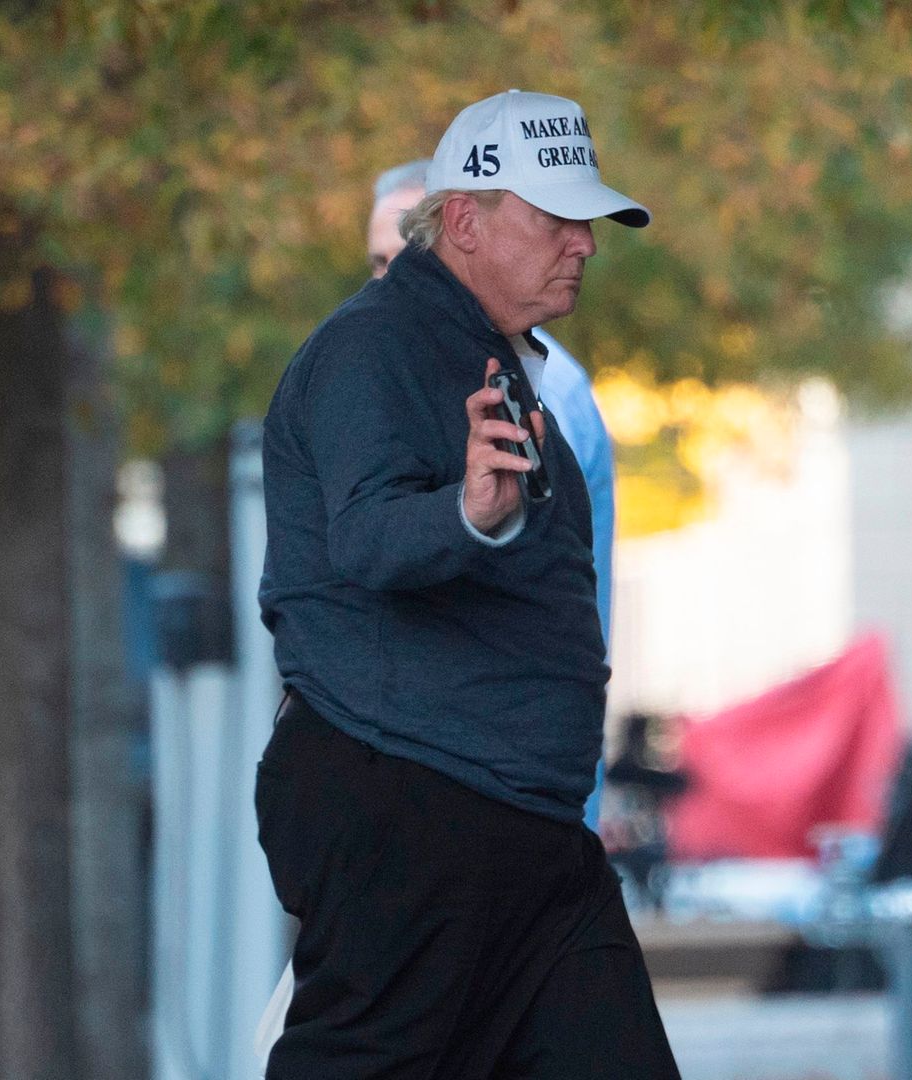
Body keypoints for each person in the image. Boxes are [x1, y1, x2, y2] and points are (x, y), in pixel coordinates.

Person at [255, 90, 681, 1078]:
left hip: (521, 828)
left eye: (589, 219)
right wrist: (467, 513)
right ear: (465, 219)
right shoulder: (373, 350)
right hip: (413, 805)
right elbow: (367, 534)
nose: (583, 242)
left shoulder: (505, 364)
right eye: (555, 217)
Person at [369, 158, 618, 829]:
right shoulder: (409, 386)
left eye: (412, 259)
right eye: (378, 265)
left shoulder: (535, 391)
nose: (393, 286)